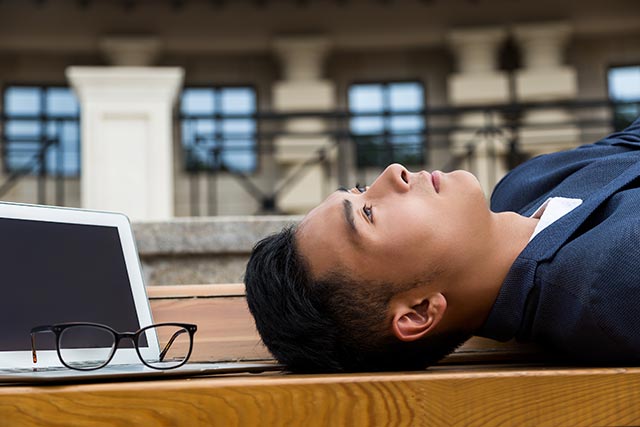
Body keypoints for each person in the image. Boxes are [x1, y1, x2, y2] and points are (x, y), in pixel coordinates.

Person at [244, 116, 640, 373]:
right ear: (418, 312)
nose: (392, 173)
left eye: (361, 190)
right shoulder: (612, 285)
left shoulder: (522, 187)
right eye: (368, 214)